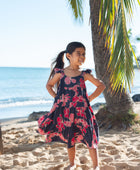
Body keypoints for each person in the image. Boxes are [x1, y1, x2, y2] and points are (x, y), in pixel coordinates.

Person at [38, 42, 105, 170]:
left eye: (84, 54)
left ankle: (96, 166)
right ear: (68, 56)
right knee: (70, 137)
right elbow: (49, 85)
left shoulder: (84, 74)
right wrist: (57, 98)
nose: (82, 56)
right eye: (78, 53)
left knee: (90, 136)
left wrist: (89, 98)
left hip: (83, 112)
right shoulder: (61, 73)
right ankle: (72, 163)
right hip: (67, 113)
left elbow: (101, 85)